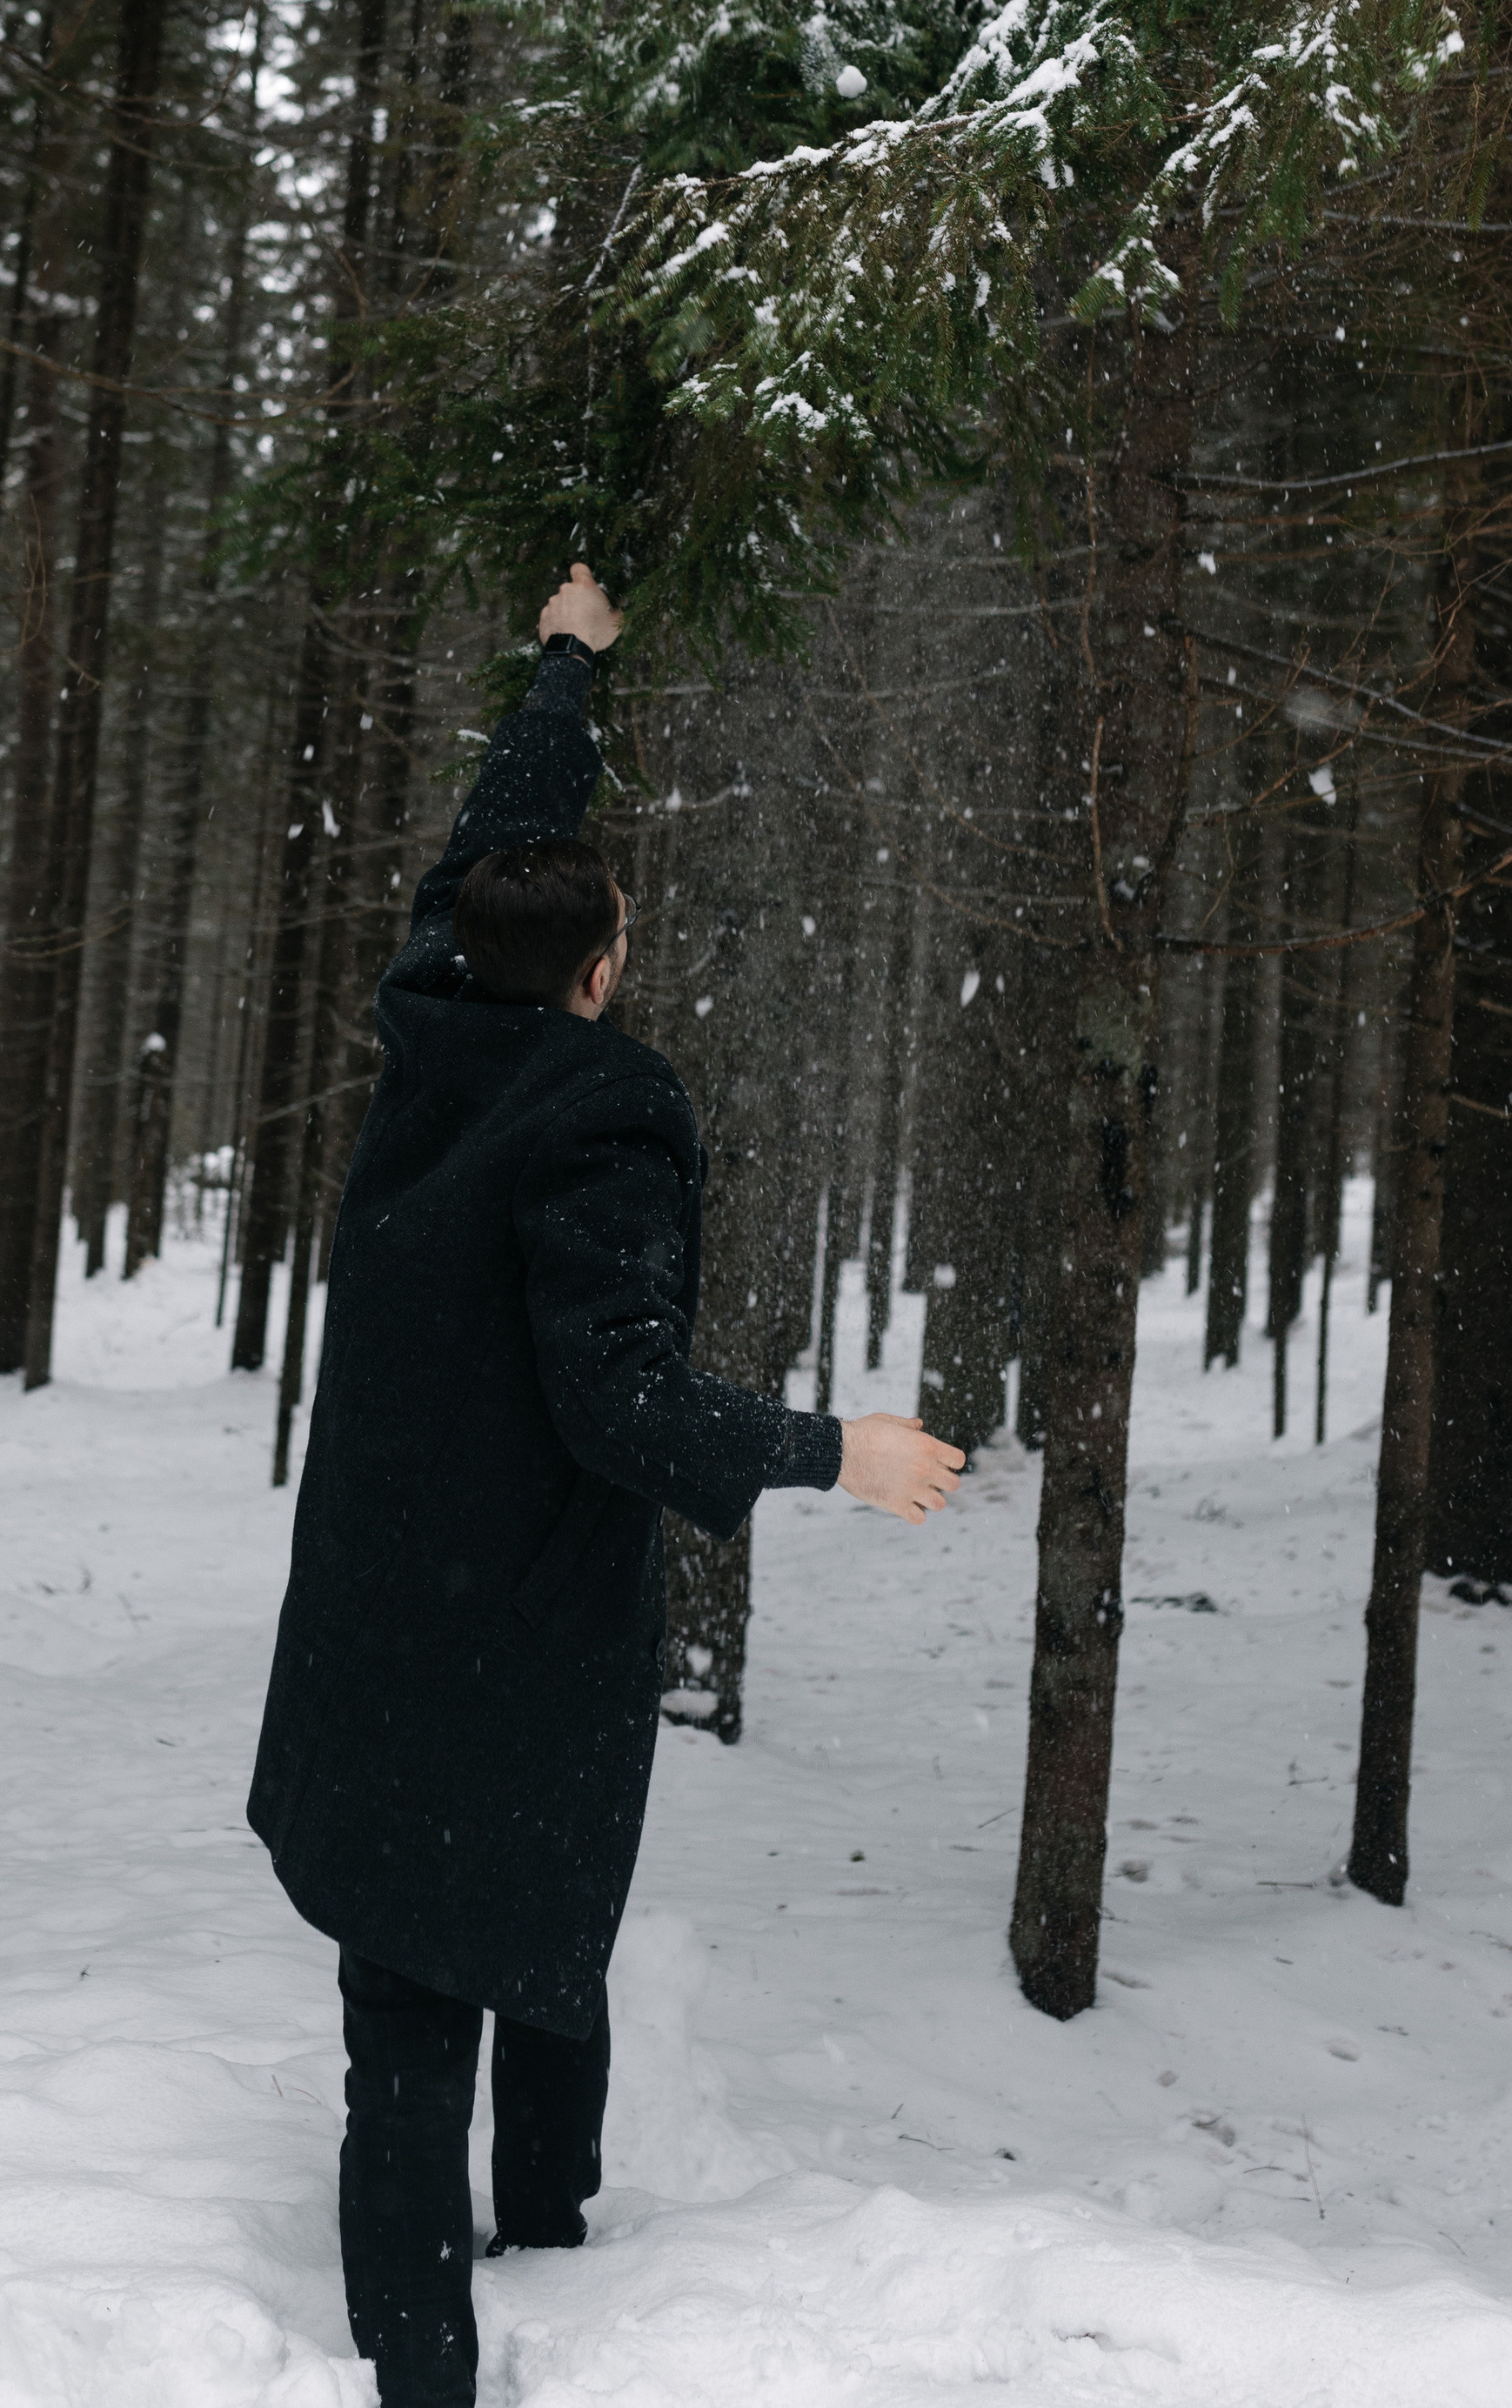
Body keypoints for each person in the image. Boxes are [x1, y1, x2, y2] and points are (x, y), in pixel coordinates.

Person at [248, 563, 964, 2408]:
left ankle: (551, 2240)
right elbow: (620, 1406)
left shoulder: (433, 999)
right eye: (613, 932)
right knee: (469, 1973)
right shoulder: (601, 1112)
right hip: (516, 1618)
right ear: (593, 969)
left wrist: (568, 660)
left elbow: (497, 833)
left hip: (379, 1606)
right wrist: (834, 1452)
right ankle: (434, 2363)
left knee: (458, 1964)